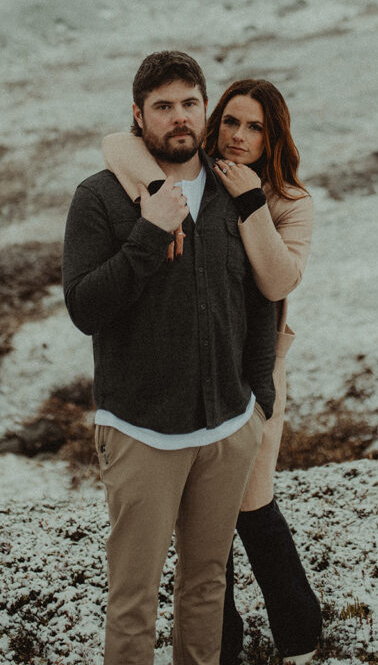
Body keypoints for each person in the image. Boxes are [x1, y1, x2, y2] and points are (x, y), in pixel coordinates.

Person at [62, 52, 277, 665]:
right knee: (133, 601)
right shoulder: (100, 199)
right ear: (138, 117)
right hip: (142, 435)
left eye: (189, 104)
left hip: (228, 431)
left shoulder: (235, 189)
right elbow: (84, 308)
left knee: (207, 587)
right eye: (163, 107)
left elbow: (262, 296)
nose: (178, 118)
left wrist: (257, 399)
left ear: (205, 110)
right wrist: (150, 233)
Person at [103, 77, 322, 665]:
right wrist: (156, 187)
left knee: (252, 508)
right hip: (199, 380)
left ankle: (300, 633)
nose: (241, 136)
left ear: (275, 135)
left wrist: (252, 202)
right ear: (213, 122)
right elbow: (115, 145)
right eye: (232, 122)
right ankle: (219, 646)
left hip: (257, 380)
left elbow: (277, 282)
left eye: (257, 127)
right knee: (206, 529)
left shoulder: (287, 202)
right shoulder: (194, 177)